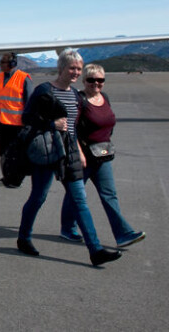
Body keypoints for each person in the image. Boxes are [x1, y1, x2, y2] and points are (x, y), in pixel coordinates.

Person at [16, 49, 122, 266]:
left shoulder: (75, 94)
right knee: (38, 197)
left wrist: (80, 152)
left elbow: (74, 127)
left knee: (80, 200)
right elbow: (26, 117)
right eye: (72, 68)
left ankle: (95, 251)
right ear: (61, 68)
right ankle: (24, 238)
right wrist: (50, 124)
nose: (75, 72)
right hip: (47, 151)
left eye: (79, 69)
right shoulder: (44, 90)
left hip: (70, 152)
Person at [59, 63, 145, 247]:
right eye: (91, 80)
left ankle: (123, 234)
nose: (96, 83)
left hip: (102, 155)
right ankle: (67, 228)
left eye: (100, 80)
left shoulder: (104, 98)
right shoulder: (79, 99)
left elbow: (108, 123)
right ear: (84, 80)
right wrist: (79, 153)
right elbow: (71, 129)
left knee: (109, 195)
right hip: (82, 157)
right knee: (76, 195)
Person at [0, 52, 32, 187]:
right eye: (1, 62)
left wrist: (29, 123)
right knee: (4, 153)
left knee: (17, 154)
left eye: (3, 62)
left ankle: (15, 179)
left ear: (12, 64)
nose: (1, 65)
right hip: (2, 122)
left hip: (18, 124)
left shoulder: (23, 78)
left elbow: (29, 101)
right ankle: (8, 177)